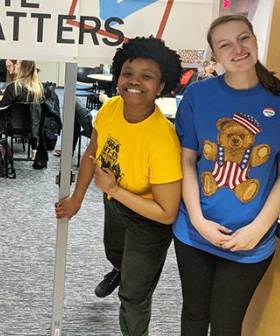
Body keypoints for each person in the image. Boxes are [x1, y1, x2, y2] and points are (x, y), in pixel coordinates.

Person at [171, 15, 280, 336]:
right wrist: (197, 220)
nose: (237, 49)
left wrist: (259, 228)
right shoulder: (198, 95)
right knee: (194, 316)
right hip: (195, 231)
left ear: (255, 39)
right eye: (225, 45)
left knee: (226, 325)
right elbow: (187, 161)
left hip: (251, 239)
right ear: (214, 56)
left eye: (243, 38)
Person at [54, 37, 184, 336]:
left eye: (146, 76)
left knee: (134, 296)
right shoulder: (112, 107)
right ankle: (118, 270)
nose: (134, 82)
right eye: (128, 73)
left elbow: (166, 213)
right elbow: (91, 153)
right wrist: (77, 199)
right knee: (115, 252)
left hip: (148, 220)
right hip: (115, 203)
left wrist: (114, 189)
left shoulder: (162, 140)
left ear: (161, 86)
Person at [0, 60, 53, 168]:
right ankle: (34, 149)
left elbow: (1, 108)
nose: (15, 65)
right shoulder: (41, 89)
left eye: (17, 64)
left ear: (22, 69)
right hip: (34, 128)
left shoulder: (13, 87)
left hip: (10, 127)